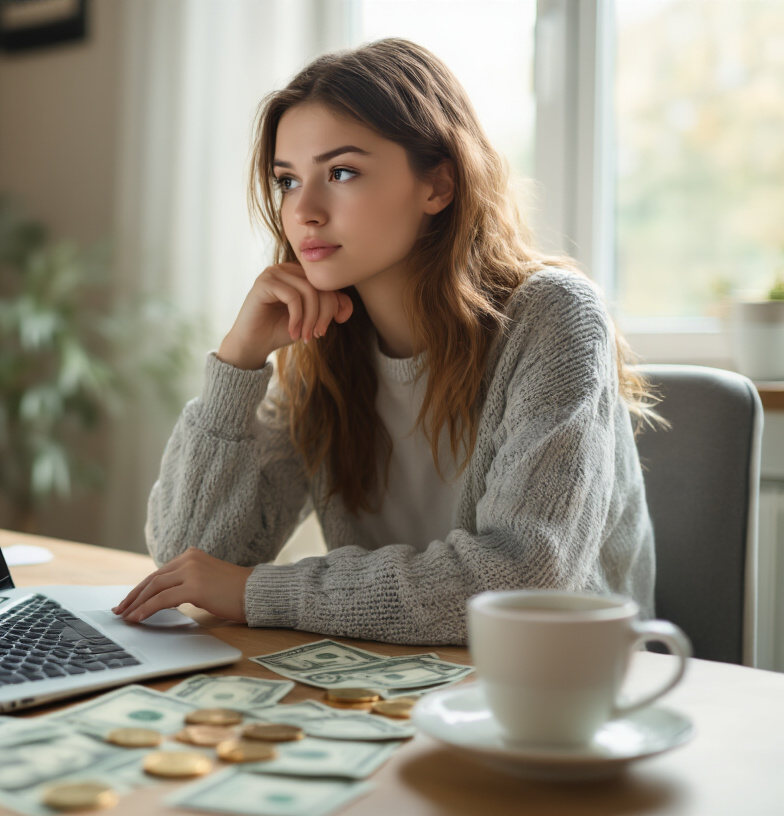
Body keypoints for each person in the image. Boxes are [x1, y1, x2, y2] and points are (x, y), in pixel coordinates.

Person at [112, 39, 660, 645]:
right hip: (392, 680)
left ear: (439, 185)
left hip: (554, 691)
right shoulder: (321, 346)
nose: (305, 212)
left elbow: (525, 579)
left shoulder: (553, 317)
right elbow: (189, 561)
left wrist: (258, 592)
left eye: (341, 172)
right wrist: (238, 362)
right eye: (288, 181)